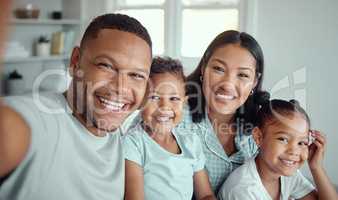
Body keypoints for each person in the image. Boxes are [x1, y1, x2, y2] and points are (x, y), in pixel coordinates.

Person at [0, 13, 152, 200]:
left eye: (136, 76)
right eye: (106, 66)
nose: (121, 88)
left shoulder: (121, 138)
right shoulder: (39, 120)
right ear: (75, 61)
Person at [179, 30, 265, 194]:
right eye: (219, 69)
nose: (228, 84)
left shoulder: (262, 127)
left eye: (242, 75)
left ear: (255, 81)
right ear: (204, 68)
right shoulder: (175, 118)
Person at [123, 57, 215, 200]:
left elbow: (205, 195)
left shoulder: (191, 141)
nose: (165, 107)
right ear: (140, 100)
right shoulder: (133, 143)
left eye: (174, 99)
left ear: (184, 103)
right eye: (154, 97)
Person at [218, 98, 338, 200]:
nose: (294, 151)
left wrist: (316, 167)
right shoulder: (243, 189)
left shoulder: (288, 175)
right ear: (259, 137)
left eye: (302, 142)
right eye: (283, 139)